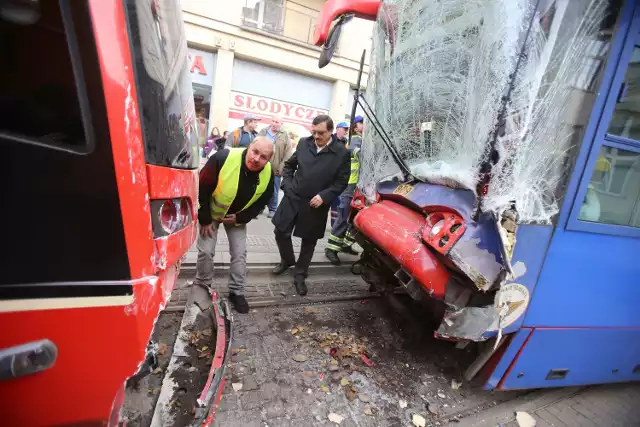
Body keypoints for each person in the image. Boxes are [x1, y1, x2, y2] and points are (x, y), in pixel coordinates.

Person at [271, 115, 350, 295]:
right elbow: (290, 166)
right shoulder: (303, 143)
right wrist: (287, 186)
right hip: (293, 197)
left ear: (330, 131)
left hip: (316, 204)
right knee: (280, 231)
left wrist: (324, 196)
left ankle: (300, 273)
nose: (316, 136)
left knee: (309, 241)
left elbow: (342, 181)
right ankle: (287, 260)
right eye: (313, 132)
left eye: (320, 133)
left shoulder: (342, 153)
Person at [196, 137, 275, 313]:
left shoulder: (268, 172)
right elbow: (202, 186)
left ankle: (237, 292)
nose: (256, 159)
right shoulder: (223, 157)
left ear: (268, 160)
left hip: (236, 217)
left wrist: (242, 218)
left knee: (239, 254)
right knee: (206, 251)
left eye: (263, 157)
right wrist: (205, 218)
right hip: (211, 213)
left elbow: (263, 200)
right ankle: (203, 288)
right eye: (255, 152)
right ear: (249, 147)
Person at [325, 116, 365, 265]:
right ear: (356, 127)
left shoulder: (362, 140)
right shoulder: (356, 140)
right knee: (343, 216)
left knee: (353, 218)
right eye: (363, 123)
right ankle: (331, 249)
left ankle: (345, 244)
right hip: (350, 186)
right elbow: (361, 155)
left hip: (358, 187)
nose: (365, 126)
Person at [258, 116, 293, 218]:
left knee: (274, 190)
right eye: (273, 121)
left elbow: (288, 153)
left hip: (276, 168)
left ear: (281, 124)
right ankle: (259, 207)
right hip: (261, 165)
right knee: (259, 187)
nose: (274, 123)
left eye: (277, 121)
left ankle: (272, 209)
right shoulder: (263, 131)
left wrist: (281, 167)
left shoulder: (284, 135)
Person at [330, 121, 350, 225]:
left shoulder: (346, 143)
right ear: (337, 129)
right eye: (345, 129)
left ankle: (334, 225)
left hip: (338, 178)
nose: (346, 131)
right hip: (327, 176)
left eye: (347, 129)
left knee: (336, 202)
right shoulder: (330, 140)